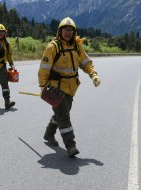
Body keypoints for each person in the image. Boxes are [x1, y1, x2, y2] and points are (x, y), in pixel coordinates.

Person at [38, 17, 101, 156]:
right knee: (64, 116)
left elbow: (86, 63)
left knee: (61, 114)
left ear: (74, 32)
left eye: (70, 30)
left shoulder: (77, 47)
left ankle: (49, 134)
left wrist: (93, 75)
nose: (68, 32)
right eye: (65, 30)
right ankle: (70, 145)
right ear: (59, 31)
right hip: (56, 88)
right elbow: (43, 69)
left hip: (71, 88)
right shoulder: (52, 47)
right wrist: (43, 87)